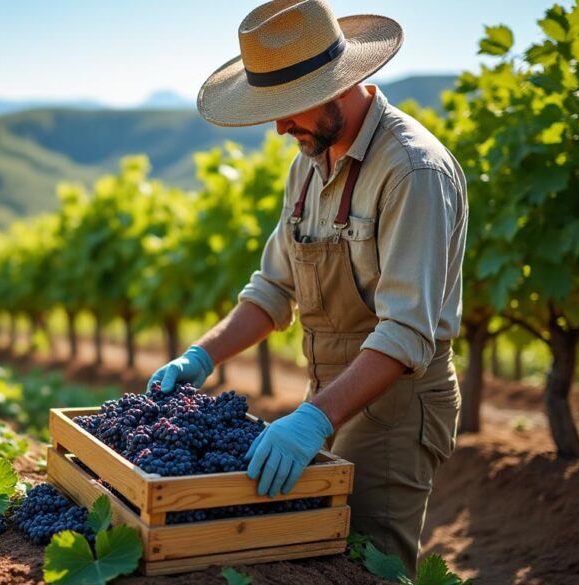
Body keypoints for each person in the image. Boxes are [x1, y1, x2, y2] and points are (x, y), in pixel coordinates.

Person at [147, 0, 467, 577]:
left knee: (367, 565)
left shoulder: (412, 172)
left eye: (289, 109)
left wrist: (314, 418)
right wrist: (201, 355)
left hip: (395, 406)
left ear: (340, 86)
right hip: (332, 392)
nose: (278, 127)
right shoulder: (310, 160)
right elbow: (273, 289)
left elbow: (405, 333)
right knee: (313, 555)